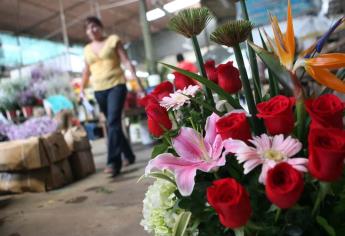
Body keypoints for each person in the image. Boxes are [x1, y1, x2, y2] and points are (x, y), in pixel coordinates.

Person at [81, 16, 140, 177]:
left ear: (100, 26)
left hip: (116, 85)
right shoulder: (87, 49)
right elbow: (86, 71)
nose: (91, 30)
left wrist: (137, 81)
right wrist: (81, 89)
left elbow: (126, 61)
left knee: (113, 122)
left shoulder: (113, 40)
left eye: (94, 26)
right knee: (112, 124)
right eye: (88, 29)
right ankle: (129, 155)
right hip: (99, 90)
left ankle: (114, 162)